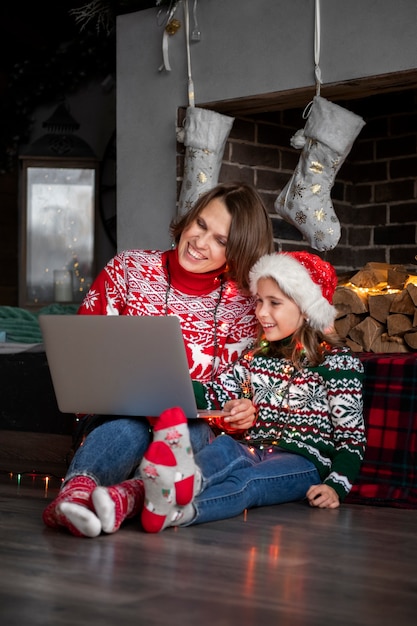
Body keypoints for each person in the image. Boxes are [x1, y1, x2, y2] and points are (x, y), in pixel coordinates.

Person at [42, 181, 274, 537]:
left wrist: (239, 412)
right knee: (128, 427)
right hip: (113, 419)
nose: (200, 242)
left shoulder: (244, 305)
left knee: (185, 430)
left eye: (221, 240)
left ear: (237, 252)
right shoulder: (129, 269)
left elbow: (240, 389)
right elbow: (82, 354)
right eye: (200, 224)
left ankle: (127, 498)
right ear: (189, 219)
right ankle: (73, 498)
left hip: (189, 431)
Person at [134, 251, 367, 532]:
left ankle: (177, 514)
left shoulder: (338, 363)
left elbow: (351, 439)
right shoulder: (255, 358)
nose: (261, 312)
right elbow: (216, 394)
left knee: (248, 481)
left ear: (306, 308)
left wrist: (335, 486)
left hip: (304, 462)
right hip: (254, 447)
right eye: (259, 301)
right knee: (224, 447)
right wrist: (164, 383)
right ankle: (178, 483)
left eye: (274, 303)